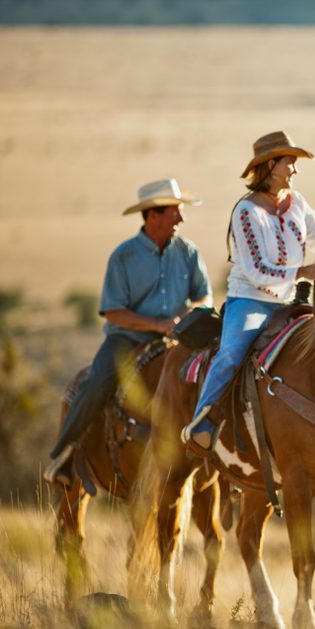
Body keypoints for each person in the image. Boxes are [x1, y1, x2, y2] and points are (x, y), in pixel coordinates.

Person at [182, 130, 315, 451]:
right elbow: (256, 272)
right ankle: (202, 422)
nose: (295, 170)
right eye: (290, 164)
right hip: (250, 301)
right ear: (271, 165)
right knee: (232, 353)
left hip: (290, 302)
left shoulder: (298, 204)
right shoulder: (246, 212)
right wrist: (301, 271)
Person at [45, 178, 212, 488]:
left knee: (215, 371)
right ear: (152, 216)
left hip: (178, 338)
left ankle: (225, 459)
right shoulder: (123, 256)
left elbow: (204, 295)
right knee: (96, 384)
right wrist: (157, 324)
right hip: (127, 339)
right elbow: (113, 311)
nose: (181, 218)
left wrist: (189, 313)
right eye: (175, 211)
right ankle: (65, 455)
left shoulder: (188, 252)